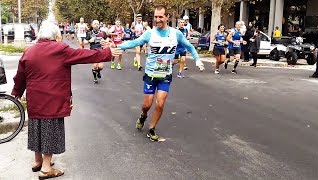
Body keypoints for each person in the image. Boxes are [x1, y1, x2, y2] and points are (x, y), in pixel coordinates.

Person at [11, 20, 121, 180]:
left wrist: (17, 91)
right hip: (53, 99)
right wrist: (108, 53)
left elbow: (20, 75)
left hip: (35, 99)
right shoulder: (60, 49)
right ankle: (46, 168)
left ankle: (37, 161)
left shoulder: (29, 51)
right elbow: (85, 55)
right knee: (50, 131)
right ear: (56, 35)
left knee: (37, 127)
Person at [116, 5, 205, 141]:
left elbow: (189, 46)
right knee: (147, 105)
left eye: (160, 17)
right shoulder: (150, 33)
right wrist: (117, 46)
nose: (157, 19)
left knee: (160, 103)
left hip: (165, 75)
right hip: (151, 75)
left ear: (167, 17)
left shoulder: (176, 34)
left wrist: (197, 60)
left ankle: (151, 128)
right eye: (155, 17)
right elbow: (135, 42)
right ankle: (143, 115)